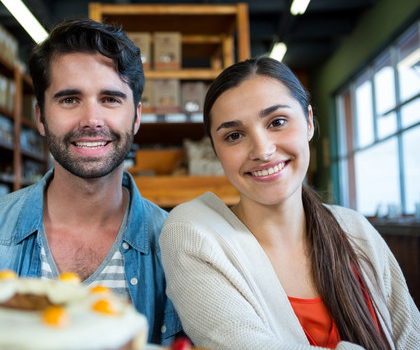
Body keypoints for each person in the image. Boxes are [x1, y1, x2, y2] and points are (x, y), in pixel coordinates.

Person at [0, 18, 181, 345]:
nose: (91, 120)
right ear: (40, 117)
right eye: (69, 99)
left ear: (135, 117)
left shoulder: (177, 248)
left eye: (110, 99)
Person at [159, 57, 420, 349]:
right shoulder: (195, 236)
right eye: (234, 135)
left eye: (277, 122)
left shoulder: (355, 229)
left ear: (309, 121)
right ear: (216, 151)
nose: (263, 150)